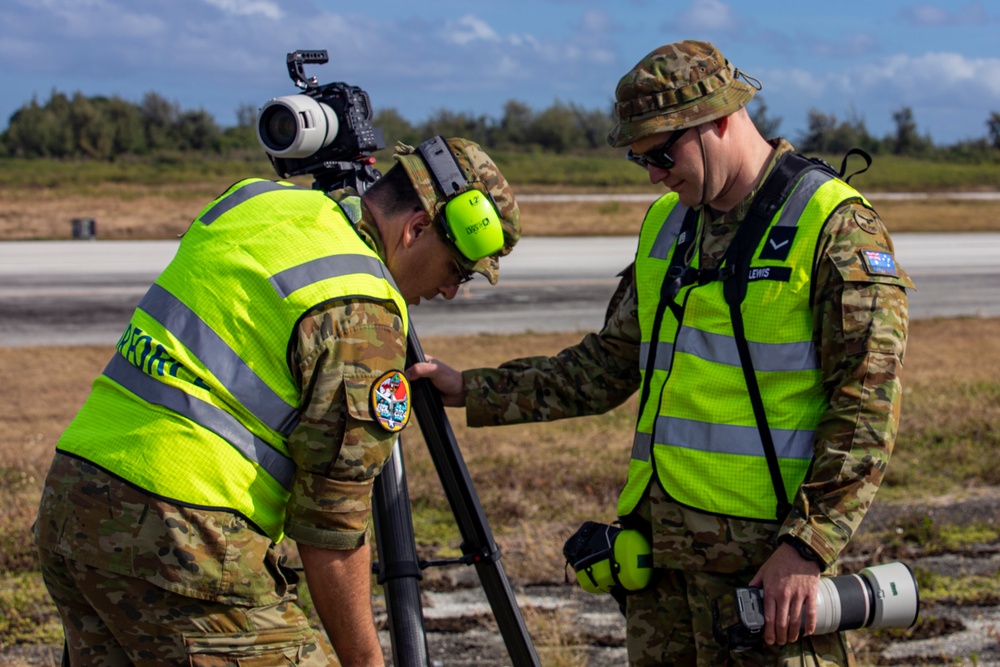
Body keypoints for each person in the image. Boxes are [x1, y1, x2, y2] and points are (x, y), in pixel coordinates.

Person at [408, 41, 914, 666]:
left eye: (661, 154)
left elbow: (865, 411)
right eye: (637, 158)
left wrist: (806, 549)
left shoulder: (834, 227)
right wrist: (472, 389)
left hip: (763, 574)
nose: (652, 174)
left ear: (719, 119)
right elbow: (605, 366)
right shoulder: (668, 226)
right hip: (661, 569)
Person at [34, 136, 520, 666]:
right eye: (457, 270)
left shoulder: (255, 201)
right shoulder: (363, 308)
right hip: (182, 536)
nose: (452, 291)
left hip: (71, 508)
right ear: (417, 229)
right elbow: (330, 535)